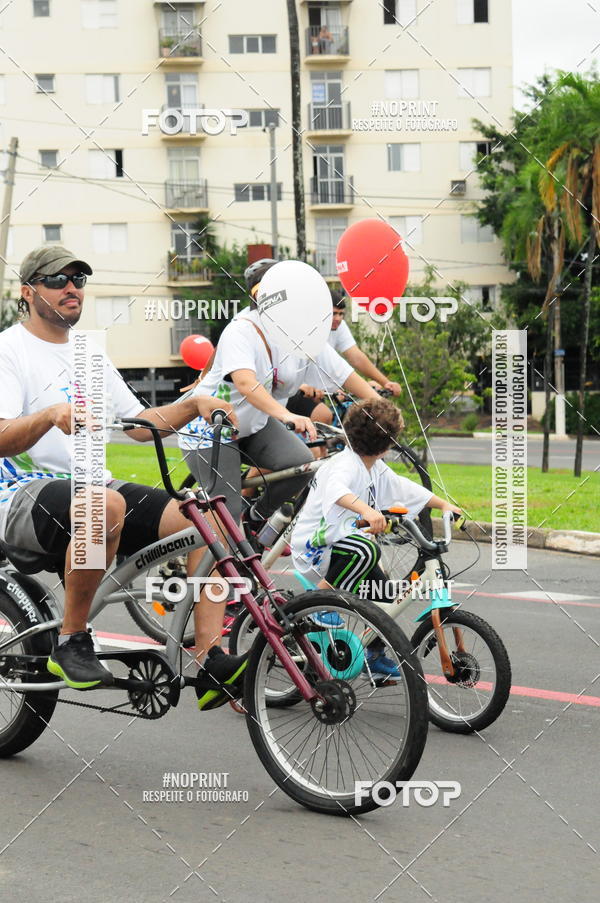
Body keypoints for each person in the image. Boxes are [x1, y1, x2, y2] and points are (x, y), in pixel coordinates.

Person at [0, 245, 245, 709]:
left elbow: (138, 424)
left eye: (78, 279)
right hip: (19, 493)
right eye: (57, 279)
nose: (71, 288)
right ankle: (71, 642)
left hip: (92, 487)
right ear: (28, 292)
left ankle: (210, 657)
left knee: (210, 520)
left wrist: (194, 405)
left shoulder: (88, 352)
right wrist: (50, 415)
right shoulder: (8, 349)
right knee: (104, 505)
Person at [178, 258, 380, 542]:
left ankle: (255, 519)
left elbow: (345, 374)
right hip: (211, 430)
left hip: (253, 425)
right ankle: (226, 548)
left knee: (301, 465)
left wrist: (384, 411)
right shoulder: (242, 330)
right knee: (227, 516)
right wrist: (286, 415)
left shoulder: (300, 330)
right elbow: (246, 383)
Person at [291, 397, 461, 676]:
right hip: (317, 548)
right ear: (387, 446)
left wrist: (442, 504)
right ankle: (320, 603)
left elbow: (402, 487)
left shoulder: (373, 466)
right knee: (366, 550)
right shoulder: (345, 464)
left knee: (385, 598)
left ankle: (374, 655)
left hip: (342, 547)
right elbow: (337, 491)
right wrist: (367, 511)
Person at [287, 289, 402, 424]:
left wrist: (385, 383)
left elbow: (356, 357)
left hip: (320, 390)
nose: (338, 318)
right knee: (323, 415)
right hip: (295, 389)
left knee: (368, 392)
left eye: (341, 314)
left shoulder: (339, 326)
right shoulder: (308, 331)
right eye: (333, 313)